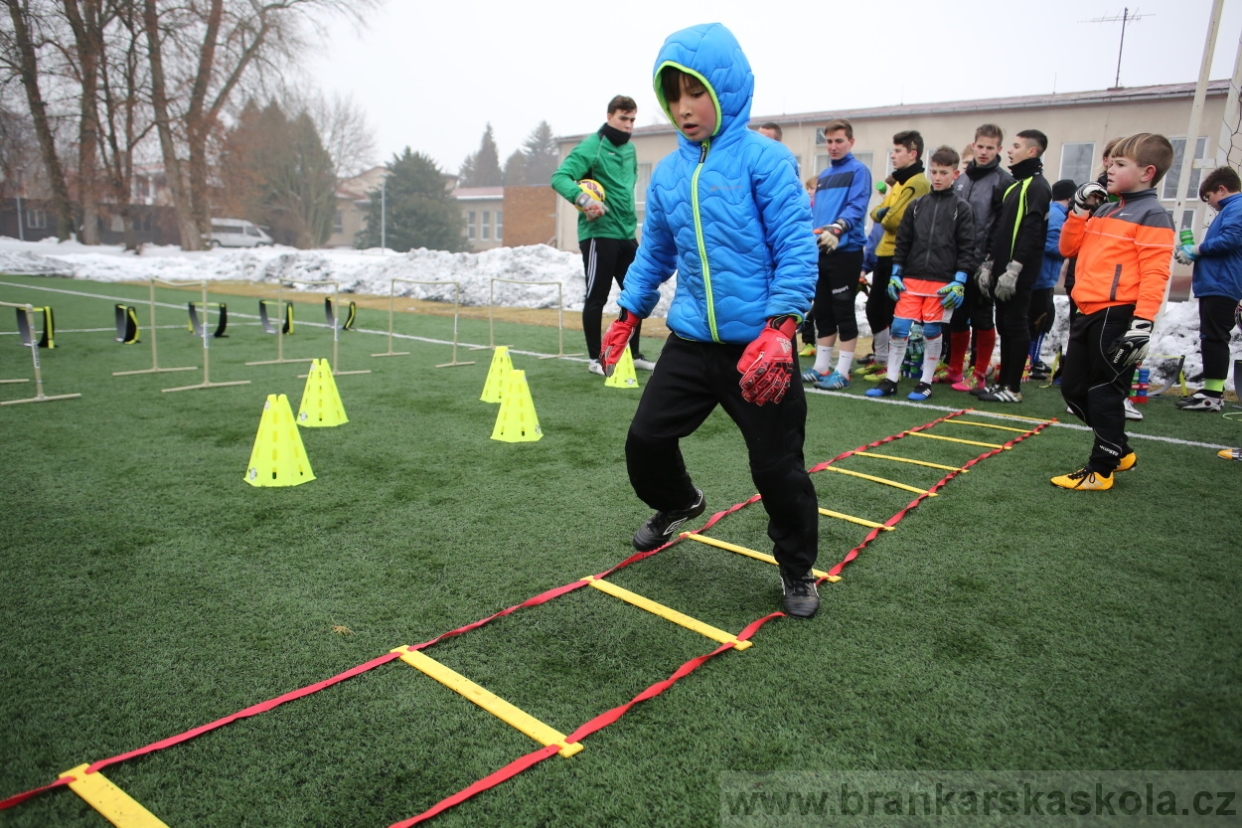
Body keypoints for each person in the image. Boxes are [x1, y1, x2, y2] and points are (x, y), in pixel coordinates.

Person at [598, 22, 821, 617]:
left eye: (695, 91)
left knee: (777, 468)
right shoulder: (670, 174)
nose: (684, 108)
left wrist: (781, 329)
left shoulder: (766, 160)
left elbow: (796, 250)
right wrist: (628, 314)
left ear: (725, 89)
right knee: (646, 440)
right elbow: (655, 253)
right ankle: (679, 501)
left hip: (760, 348)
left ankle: (797, 569)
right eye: (673, 95)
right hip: (693, 342)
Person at [1054, 132, 1176, 490]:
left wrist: (1142, 323)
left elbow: (1156, 273)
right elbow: (1068, 248)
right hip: (1087, 311)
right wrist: (1079, 211)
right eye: (1110, 161)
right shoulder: (1106, 207)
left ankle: (1102, 469)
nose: (1109, 168)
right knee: (1073, 390)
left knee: (1104, 391)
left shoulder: (1153, 215)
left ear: (1147, 172)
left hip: (1118, 315)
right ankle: (1119, 450)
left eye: (1120, 164)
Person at [550, 95, 654, 375]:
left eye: (632, 120)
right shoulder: (592, 146)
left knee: (636, 294)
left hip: (626, 232)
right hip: (599, 233)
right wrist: (585, 201)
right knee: (597, 295)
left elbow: (626, 188)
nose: (628, 125)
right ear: (610, 117)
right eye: (623, 118)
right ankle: (595, 359)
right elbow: (560, 177)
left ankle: (632, 354)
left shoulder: (630, 151)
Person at [868, 145, 976, 401]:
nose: (937, 177)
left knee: (931, 331)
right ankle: (891, 379)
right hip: (911, 280)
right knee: (898, 328)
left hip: (942, 282)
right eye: (934, 171)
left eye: (943, 172)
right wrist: (896, 273)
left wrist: (960, 280)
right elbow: (903, 242)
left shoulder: (962, 208)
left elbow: (967, 247)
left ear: (955, 174)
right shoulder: (916, 205)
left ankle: (925, 382)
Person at [974, 129, 1053, 403]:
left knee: (1016, 325)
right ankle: (1002, 383)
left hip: (1018, 273)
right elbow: (999, 230)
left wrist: (1015, 269)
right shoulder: (1014, 185)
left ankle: (1013, 388)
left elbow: (1031, 231)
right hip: (1001, 268)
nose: (1010, 150)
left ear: (1032, 151)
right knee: (1004, 324)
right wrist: (989, 264)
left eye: (1016, 146)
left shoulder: (1038, 187)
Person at [802, 118, 872, 390]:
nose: (833, 146)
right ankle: (821, 367)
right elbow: (816, 213)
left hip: (846, 252)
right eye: (829, 141)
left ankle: (842, 371)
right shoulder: (824, 176)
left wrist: (838, 228)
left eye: (839, 141)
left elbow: (857, 206)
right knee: (822, 311)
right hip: (822, 251)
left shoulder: (859, 171)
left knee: (843, 311)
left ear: (851, 142)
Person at [947, 125, 1013, 391]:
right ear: (973, 146)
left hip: (984, 263)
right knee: (957, 316)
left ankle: (979, 373)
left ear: (999, 149)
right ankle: (954, 369)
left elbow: (1002, 228)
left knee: (982, 318)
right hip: (957, 261)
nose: (984, 152)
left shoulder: (1003, 181)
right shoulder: (961, 180)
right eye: (981, 146)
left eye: (990, 148)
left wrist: (990, 262)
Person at [1175, 166, 1242, 412]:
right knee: (1211, 337)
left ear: (1221, 189)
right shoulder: (1231, 209)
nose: (1210, 204)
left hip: (1222, 284)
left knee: (1215, 337)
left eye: (1209, 197)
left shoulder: (1236, 207)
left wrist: (1197, 250)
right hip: (1217, 283)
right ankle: (1212, 390)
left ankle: (1213, 395)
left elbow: (1231, 240)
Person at [864, 131, 930, 376]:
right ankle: (882, 358)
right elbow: (876, 213)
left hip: (902, 255)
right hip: (884, 251)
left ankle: (894, 363)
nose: (893, 155)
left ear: (913, 154)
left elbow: (893, 220)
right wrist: (885, 213)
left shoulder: (917, 183)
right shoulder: (898, 182)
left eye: (898, 151)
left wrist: (885, 213)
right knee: (874, 309)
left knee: (893, 311)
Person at [1028, 178, 1075, 379]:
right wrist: (1070, 250)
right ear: (1070, 198)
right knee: (1040, 320)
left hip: (1044, 276)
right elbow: (1048, 243)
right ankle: (1031, 361)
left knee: (1042, 319)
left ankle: (1033, 359)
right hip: (1042, 277)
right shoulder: (1057, 215)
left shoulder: (1055, 212)